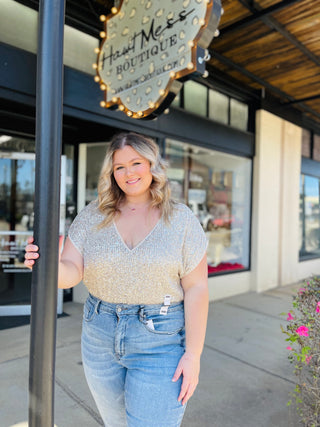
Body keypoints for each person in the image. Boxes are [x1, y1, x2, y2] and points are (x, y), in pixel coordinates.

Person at [24, 132, 209, 427]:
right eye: (119, 166)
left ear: (152, 165)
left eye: (135, 162)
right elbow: (71, 271)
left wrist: (194, 354)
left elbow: (197, 288)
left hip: (159, 341)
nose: (128, 173)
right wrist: (45, 266)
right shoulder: (93, 215)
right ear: (111, 173)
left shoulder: (181, 220)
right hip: (99, 334)